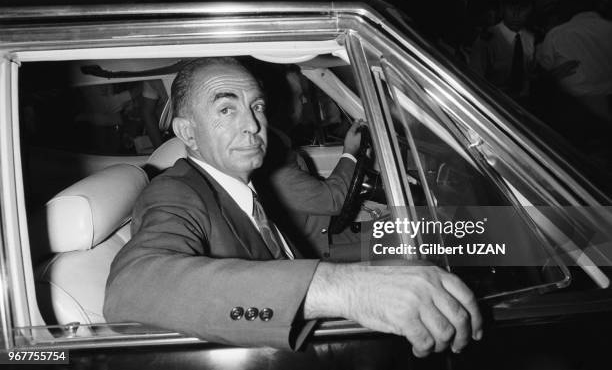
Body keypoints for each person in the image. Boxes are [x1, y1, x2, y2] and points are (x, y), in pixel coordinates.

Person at [104, 57, 483, 356]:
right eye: (226, 110)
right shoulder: (176, 191)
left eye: (258, 107)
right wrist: (348, 290)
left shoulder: (245, 187)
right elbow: (131, 288)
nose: (253, 124)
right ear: (188, 132)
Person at [536, 0, 612, 123]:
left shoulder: (557, 35)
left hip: (574, 113)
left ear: (565, 2)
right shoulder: (609, 28)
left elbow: (542, 72)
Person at [470, 0, 540, 101]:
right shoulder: (487, 39)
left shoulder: (532, 38)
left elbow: (530, 74)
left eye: (523, 8)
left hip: (524, 103)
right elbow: (476, 79)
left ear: (530, 9)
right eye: (511, 7)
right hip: (495, 101)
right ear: (503, 8)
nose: (516, 14)